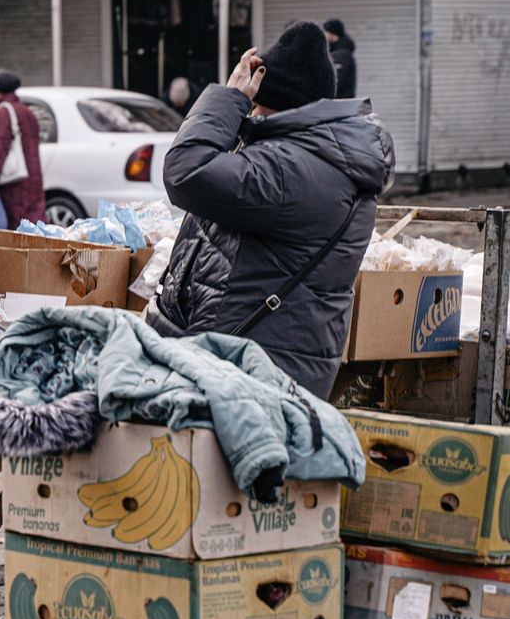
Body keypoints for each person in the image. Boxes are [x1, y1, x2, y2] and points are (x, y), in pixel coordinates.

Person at [145, 21, 395, 400]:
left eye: (254, 104)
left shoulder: (288, 168)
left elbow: (185, 172)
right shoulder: (310, 158)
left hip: (255, 375)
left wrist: (228, 99)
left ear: (270, 103)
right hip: (255, 364)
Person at [0, 69, 45, 228]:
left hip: (13, 183)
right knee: (33, 226)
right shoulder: (27, 112)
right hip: (32, 179)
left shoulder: (3, 112)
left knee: (16, 227)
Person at [323, 18, 356, 98]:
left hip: (340, 105)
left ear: (332, 33)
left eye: (326, 31)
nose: (324, 35)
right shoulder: (338, 52)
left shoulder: (341, 55)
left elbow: (335, 80)